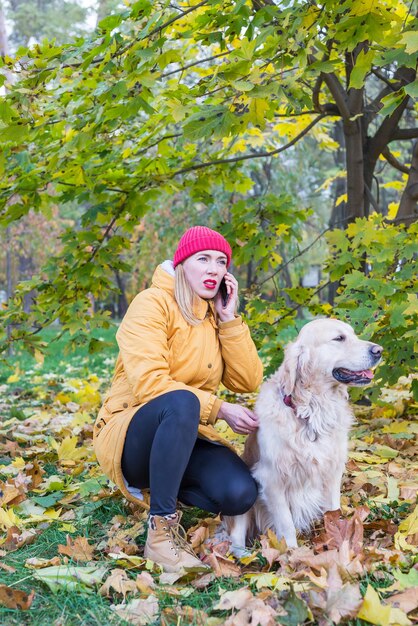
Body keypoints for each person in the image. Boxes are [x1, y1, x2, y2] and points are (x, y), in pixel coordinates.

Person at [93, 226, 263, 572]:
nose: (214, 269)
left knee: (239, 493)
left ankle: (167, 483)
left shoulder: (213, 315)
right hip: (131, 432)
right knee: (182, 401)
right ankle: (160, 533)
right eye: (203, 259)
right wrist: (218, 408)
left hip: (185, 433)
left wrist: (229, 320)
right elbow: (151, 384)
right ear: (182, 264)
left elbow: (248, 380)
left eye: (221, 261)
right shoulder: (151, 304)